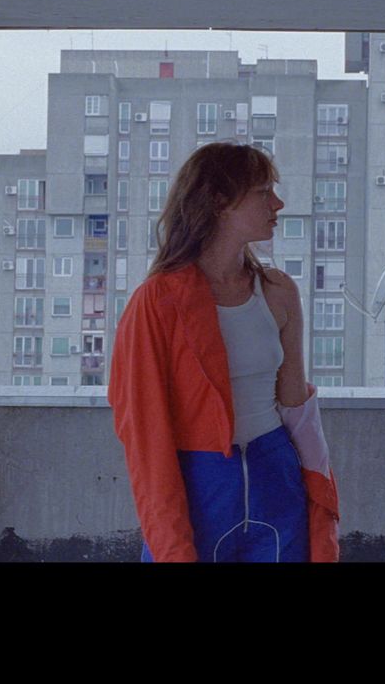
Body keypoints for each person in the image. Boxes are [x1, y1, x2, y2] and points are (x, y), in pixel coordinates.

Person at [108, 142, 338, 562]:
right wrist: (169, 539)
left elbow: (295, 401)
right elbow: (144, 431)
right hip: (201, 483)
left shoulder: (278, 290)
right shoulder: (157, 300)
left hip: (276, 475)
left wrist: (321, 496)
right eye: (263, 192)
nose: (278, 203)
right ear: (219, 201)